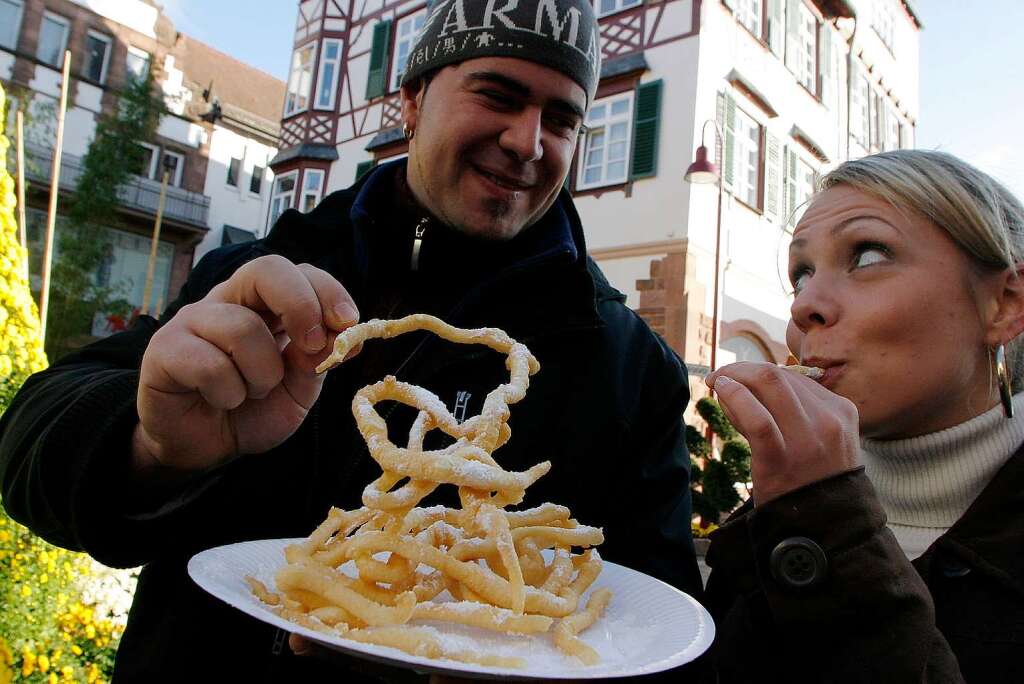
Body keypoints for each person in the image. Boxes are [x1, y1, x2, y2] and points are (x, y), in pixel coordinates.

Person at [0, 0, 703, 680]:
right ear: (413, 99)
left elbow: (657, 633)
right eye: (497, 94)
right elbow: (25, 448)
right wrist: (151, 450)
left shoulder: (631, 367)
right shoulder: (263, 279)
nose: (528, 140)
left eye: (562, 118)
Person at [701, 149, 1024, 682]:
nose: (804, 309)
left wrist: (826, 518)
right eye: (801, 276)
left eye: (868, 256)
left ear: (1005, 303)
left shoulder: (809, 508)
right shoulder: (769, 521)